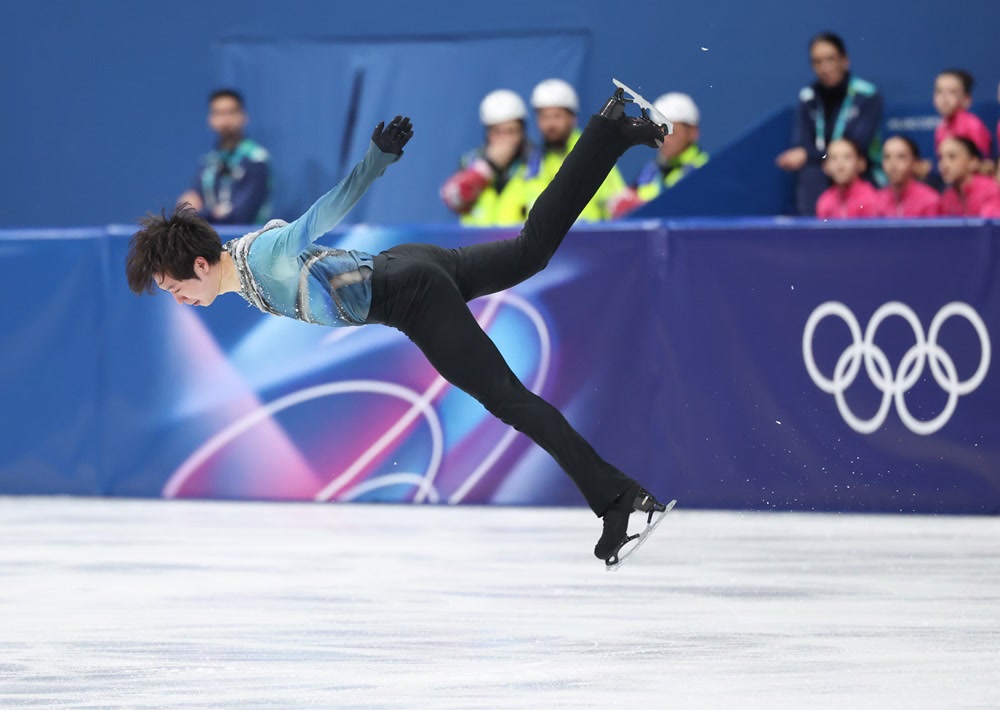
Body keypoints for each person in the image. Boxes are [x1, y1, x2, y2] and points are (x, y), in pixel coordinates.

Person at [126, 88, 672, 568]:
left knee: (511, 401)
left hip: (411, 295)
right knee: (531, 251)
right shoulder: (239, 264)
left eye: (175, 288)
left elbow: (322, 214)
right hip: (406, 265)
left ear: (200, 265)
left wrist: (377, 159)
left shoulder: (261, 255)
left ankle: (619, 501)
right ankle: (609, 132)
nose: (180, 300)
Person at [775, 32, 884, 216]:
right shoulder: (808, 96)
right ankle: (814, 231)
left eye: (830, 59)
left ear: (845, 60)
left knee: (841, 164)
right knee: (810, 174)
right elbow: (803, 143)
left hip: (860, 169)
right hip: (823, 168)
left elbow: (857, 146)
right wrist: (815, 156)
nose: (825, 67)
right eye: (818, 62)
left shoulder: (867, 95)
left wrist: (809, 154)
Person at [522, 78, 628, 222]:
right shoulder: (534, 161)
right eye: (544, 117)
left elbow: (616, 203)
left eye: (557, 116)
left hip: (589, 235)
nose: (550, 124)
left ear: (572, 118)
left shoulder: (593, 152)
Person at [177, 89, 272, 225]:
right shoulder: (208, 162)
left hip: (248, 236)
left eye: (231, 112)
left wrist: (201, 213)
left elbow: (240, 216)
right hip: (209, 236)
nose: (225, 121)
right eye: (218, 113)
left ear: (243, 117)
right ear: (210, 120)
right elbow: (188, 205)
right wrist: (205, 212)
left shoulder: (256, 159)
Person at [439, 89, 533, 227]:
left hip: (521, 240)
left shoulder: (539, 161)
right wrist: (488, 167)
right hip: (476, 240)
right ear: (487, 133)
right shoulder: (471, 162)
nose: (505, 139)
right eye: (498, 132)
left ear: (522, 131)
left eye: (511, 131)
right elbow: (452, 199)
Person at [612, 92, 709, 216]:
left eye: (672, 132)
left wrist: (640, 206)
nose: (664, 139)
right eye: (659, 132)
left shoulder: (704, 170)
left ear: (693, 133)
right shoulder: (650, 171)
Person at [875, 136, 940, 218]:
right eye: (887, 157)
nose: (893, 165)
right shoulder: (877, 201)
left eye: (901, 157)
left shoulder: (930, 201)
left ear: (915, 162)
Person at [814, 138, 879, 219]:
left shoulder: (871, 199)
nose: (840, 165)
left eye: (847, 157)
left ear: (861, 163)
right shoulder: (824, 201)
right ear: (825, 166)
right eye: (833, 158)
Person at [937, 136, 1000, 217]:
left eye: (952, 157)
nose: (944, 165)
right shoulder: (947, 198)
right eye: (940, 158)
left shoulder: (992, 190)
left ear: (973, 161)